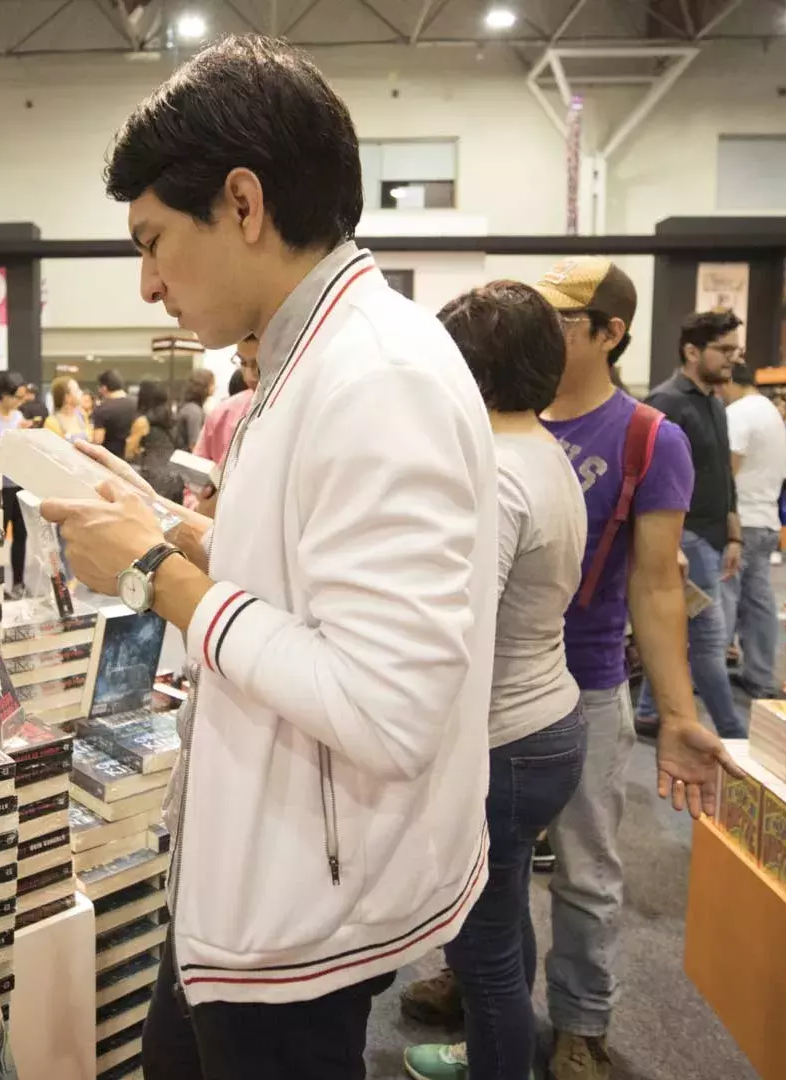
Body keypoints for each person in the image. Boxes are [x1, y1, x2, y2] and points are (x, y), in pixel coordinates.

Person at [41, 35, 514, 1079]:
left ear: (243, 205)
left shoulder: (373, 374)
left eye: (154, 241)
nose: (149, 286)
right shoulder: (321, 357)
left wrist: (157, 579)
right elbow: (321, 578)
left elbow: (387, 703)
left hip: (301, 910)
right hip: (259, 883)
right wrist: (178, 532)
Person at [404, 258, 738, 1080]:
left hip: (575, 683)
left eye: (558, 317)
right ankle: (494, 1006)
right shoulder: (524, 432)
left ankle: (581, 1025)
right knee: (499, 878)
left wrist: (680, 710)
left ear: (608, 333)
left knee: (586, 873)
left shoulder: (644, 437)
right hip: (523, 688)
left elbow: (659, 583)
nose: (538, 329)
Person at [402, 282, 588, 1080]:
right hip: (546, 722)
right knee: (504, 920)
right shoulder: (541, 452)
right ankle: (496, 1050)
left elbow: (458, 638)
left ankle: (498, 1060)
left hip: (504, 742)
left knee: (481, 953)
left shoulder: (494, 476)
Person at [638, 310, 744, 740]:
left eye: (734, 350)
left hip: (714, 536)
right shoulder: (665, 404)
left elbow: (722, 473)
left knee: (687, 632)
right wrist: (668, 544)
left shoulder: (715, 403)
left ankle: (647, 709)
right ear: (691, 351)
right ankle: (736, 736)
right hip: (687, 538)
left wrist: (734, 532)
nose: (732, 359)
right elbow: (649, 480)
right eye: (723, 350)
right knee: (707, 641)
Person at [719, 363, 786, 702]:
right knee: (759, 602)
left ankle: (711, 675)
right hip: (766, 519)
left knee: (723, 599)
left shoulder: (739, 413)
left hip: (739, 520)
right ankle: (760, 676)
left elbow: (726, 473)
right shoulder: (770, 411)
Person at [0, 373, 34, 593]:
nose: (19, 402)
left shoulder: (18, 414)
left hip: (19, 480)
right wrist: (11, 434)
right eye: (16, 397)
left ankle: (19, 582)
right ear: (3, 395)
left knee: (21, 535)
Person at [195, 336, 259, 465]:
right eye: (243, 363)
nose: (250, 376)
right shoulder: (223, 413)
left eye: (259, 365)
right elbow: (197, 473)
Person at [126, 378, 186, 502]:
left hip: (151, 476)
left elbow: (129, 453)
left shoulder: (142, 421)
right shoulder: (173, 420)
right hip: (175, 476)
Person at [92, 368, 139, 458]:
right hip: (134, 457)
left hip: (110, 458)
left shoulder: (103, 408)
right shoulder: (136, 403)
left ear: (104, 388)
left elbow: (98, 440)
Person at [176, 367, 215, 451]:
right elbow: (195, 445)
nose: (215, 387)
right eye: (212, 384)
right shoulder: (194, 412)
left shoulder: (189, 408)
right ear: (203, 386)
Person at [45, 376, 93, 441]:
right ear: (67, 397)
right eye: (77, 390)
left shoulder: (82, 415)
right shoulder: (51, 422)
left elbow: (90, 438)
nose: (81, 392)